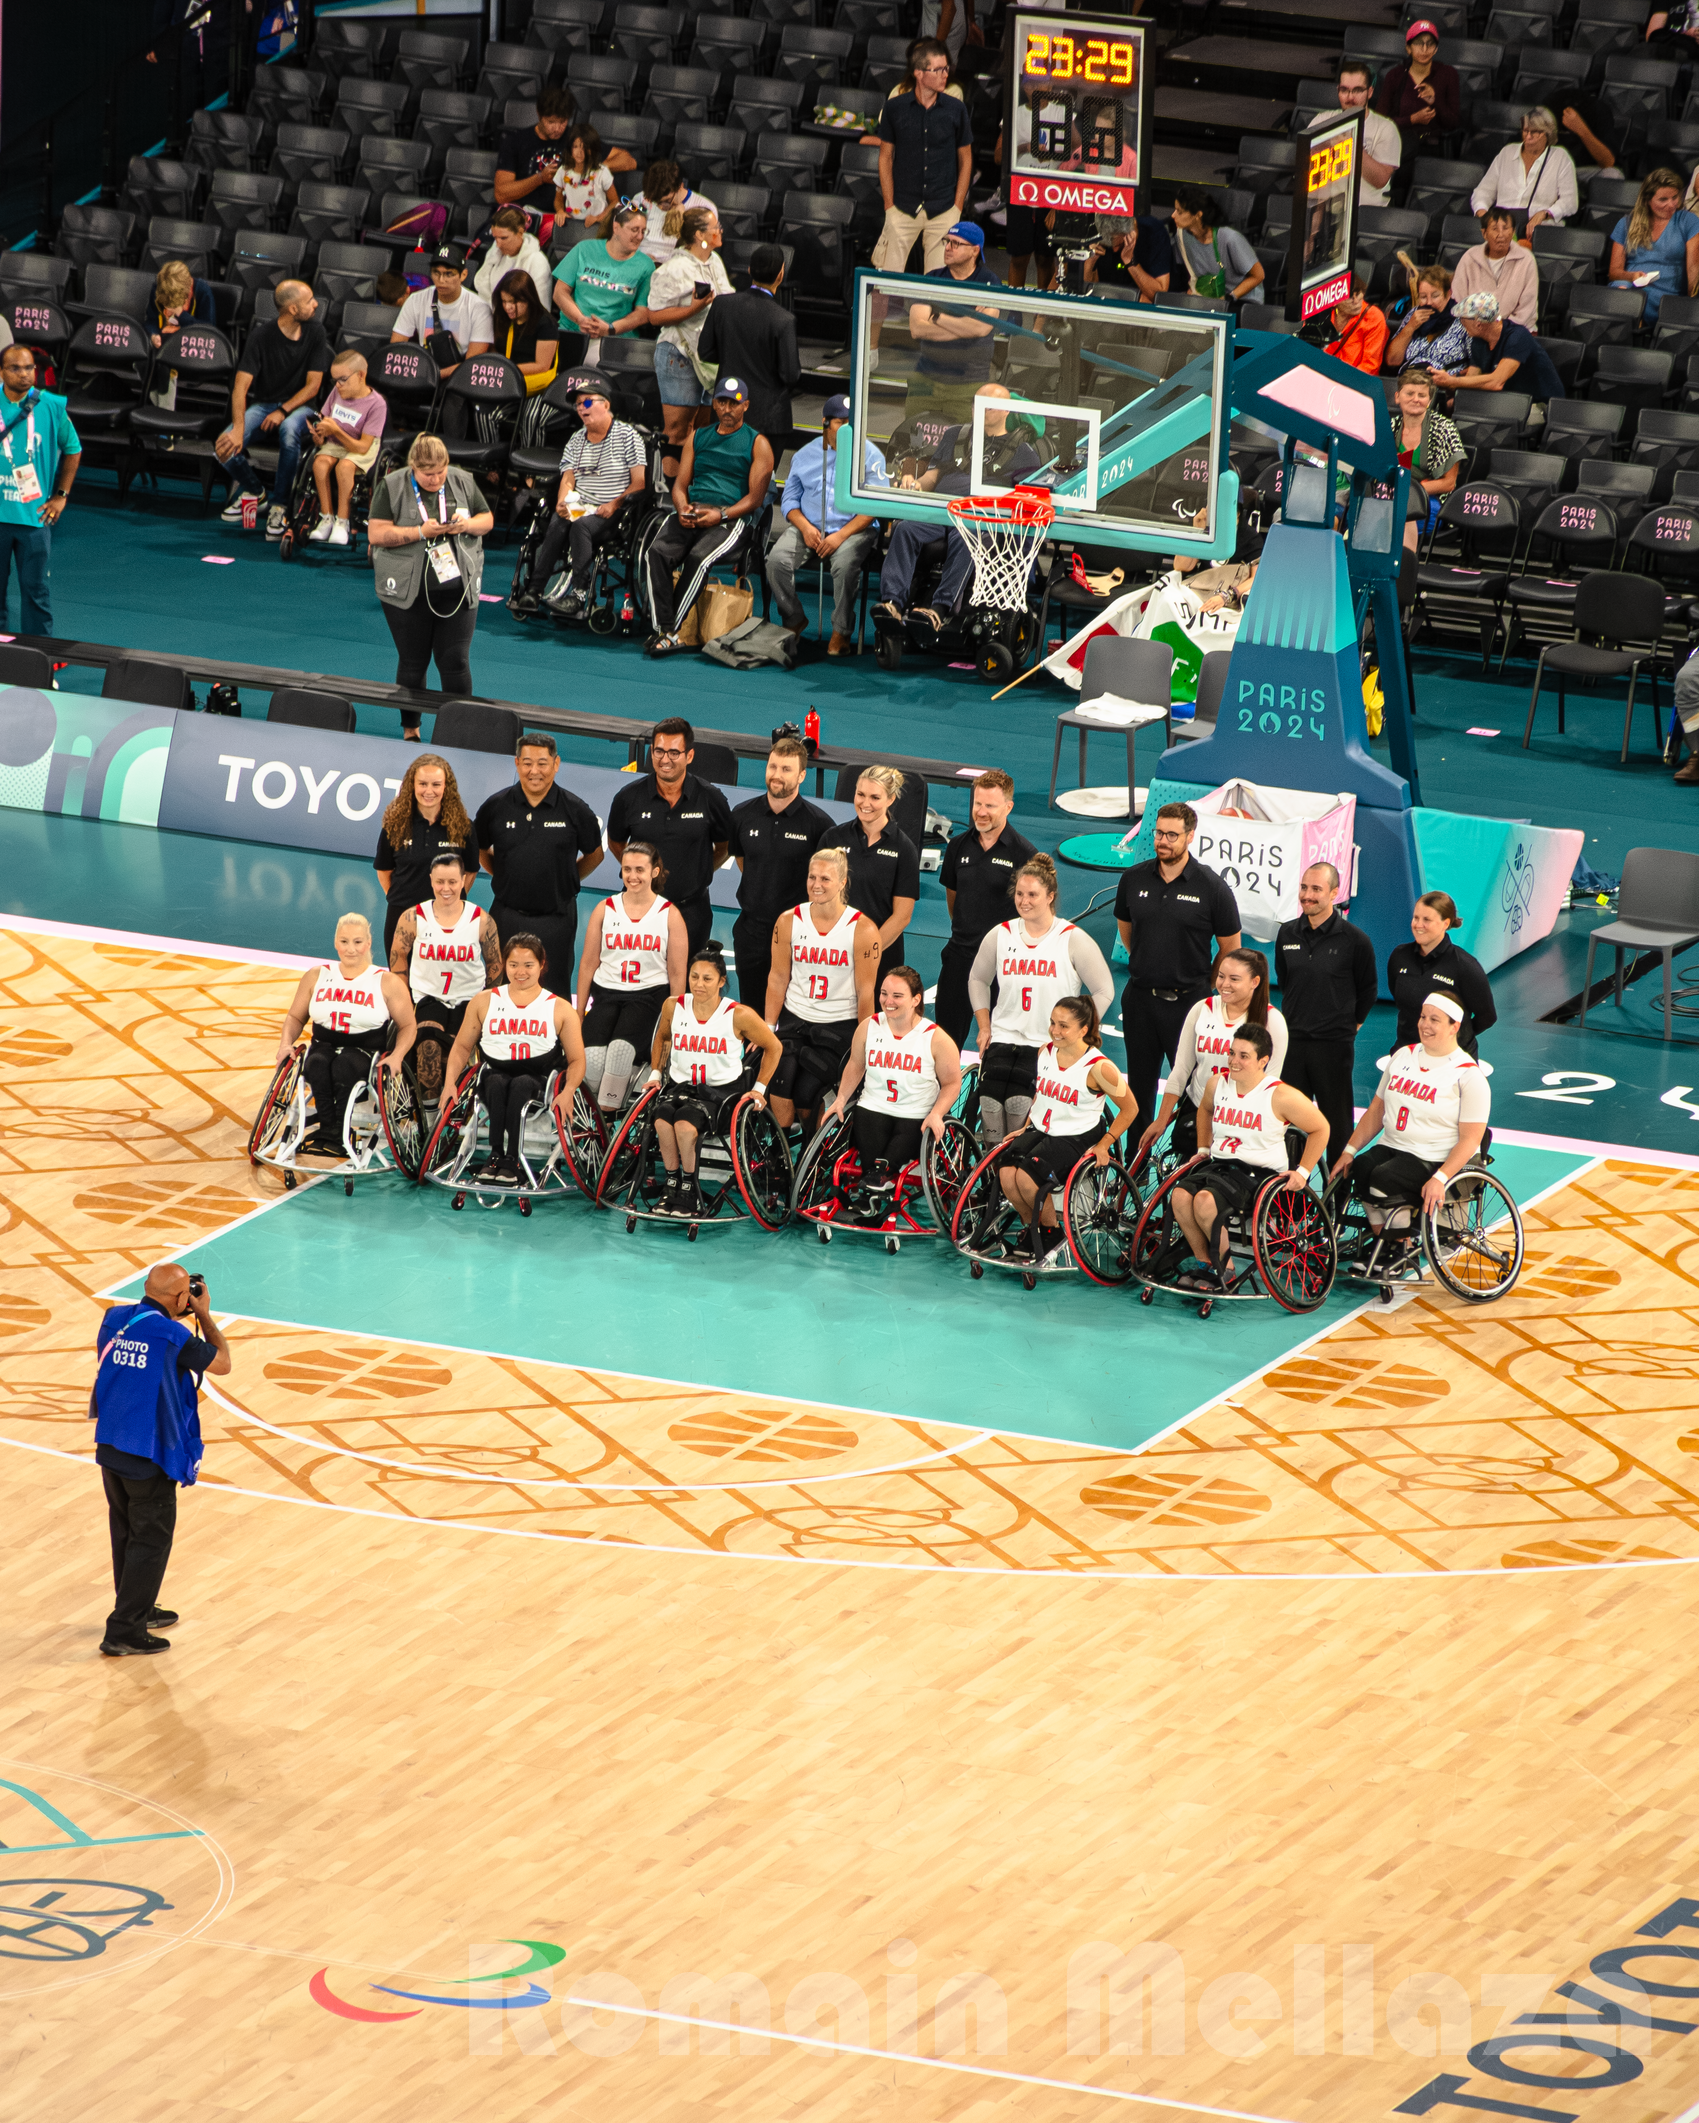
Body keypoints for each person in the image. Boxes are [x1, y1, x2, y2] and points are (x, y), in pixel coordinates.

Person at [90, 1261, 230, 1657]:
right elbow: (222, 1363)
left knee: (126, 1532)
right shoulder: (172, 1334)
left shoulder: (114, 1319)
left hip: (112, 1441)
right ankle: (124, 1631)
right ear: (182, 1298)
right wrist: (204, 1316)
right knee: (150, 1539)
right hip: (149, 1451)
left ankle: (138, 1607)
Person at [1115, 801, 1242, 1141]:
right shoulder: (1133, 879)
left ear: (1190, 837)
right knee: (1138, 1086)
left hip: (1189, 1005)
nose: (1163, 841)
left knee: (1190, 1089)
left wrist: (1207, 982)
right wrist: (1149, 961)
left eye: (1172, 835)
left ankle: (1185, 1162)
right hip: (1140, 1000)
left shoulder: (1211, 887)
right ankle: (1136, 1171)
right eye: (1159, 833)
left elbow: (1231, 949)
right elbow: (1127, 931)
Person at [1170, 1025, 1330, 1291]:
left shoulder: (1280, 1095)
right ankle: (1205, 1264)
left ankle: (1226, 1269)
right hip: (1221, 1166)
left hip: (1259, 1175)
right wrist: (1202, 1148)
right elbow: (1205, 1110)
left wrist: (1302, 1172)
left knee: (1205, 1201)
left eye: (1244, 1056)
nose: (1233, 1061)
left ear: (1263, 1061)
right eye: (1231, 1053)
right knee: (1179, 1196)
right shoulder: (1217, 1083)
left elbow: (1321, 1128)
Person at [968, 853, 1114, 1140]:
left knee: (1020, 1106)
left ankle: (1015, 1168)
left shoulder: (1071, 938)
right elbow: (977, 979)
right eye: (1020, 894)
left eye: (1033, 894)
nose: (1024, 901)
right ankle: (993, 1170)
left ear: (1050, 896)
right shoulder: (1001, 934)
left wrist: (1077, 1033)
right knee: (990, 1104)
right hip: (1003, 1036)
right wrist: (984, 1026)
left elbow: (1104, 990)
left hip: (1046, 1044)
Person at [875, 383, 1043, 628]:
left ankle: (939, 608)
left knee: (967, 538)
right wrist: (915, 484)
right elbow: (933, 476)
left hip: (979, 518)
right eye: (978, 404)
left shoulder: (1024, 452)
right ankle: (892, 603)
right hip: (941, 510)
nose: (982, 410)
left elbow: (1026, 501)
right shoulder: (956, 434)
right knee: (904, 529)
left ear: (1007, 410)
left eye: (991, 406)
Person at [992, 996, 1137, 1261]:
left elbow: (1131, 1109)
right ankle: (1031, 1226)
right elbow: (1041, 1095)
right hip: (1043, 1128)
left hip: (1077, 1134)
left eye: (1063, 1026)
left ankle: (1051, 1230)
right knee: (1005, 1170)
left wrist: (1106, 1143)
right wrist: (1024, 1127)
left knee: (1027, 1176)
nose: (1055, 1031)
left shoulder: (1099, 1068)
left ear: (1083, 1030)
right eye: (1052, 1023)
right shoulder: (1045, 1052)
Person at [367, 435, 495, 730]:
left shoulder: (462, 480)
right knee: (413, 662)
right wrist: (420, 531)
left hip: (457, 589)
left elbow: (486, 518)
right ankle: (411, 729)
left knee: (456, 662)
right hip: (406, 592)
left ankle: (457, 729)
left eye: (441, 471)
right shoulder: (392, 486)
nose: (436, 479)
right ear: (413, 467)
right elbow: (376, 534)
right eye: (428, 474)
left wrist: (468, 525)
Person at [642, 376, 775, 658]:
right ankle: (665, 628)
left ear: (746, 406)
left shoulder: (757, 443)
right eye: (722, 402)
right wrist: (682, 507)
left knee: (698, 559)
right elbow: (679, 485)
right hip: (695, 508)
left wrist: (721, 514)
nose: (727, 409)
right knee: (655, 553)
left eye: (734, 403)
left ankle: (668, 633)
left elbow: (755, 499)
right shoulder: (699, 436)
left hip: (731, 518)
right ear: (714, 404)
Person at [440, 933, 587, 1182]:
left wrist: (569, 1090)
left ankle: (512, 1159)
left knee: (520, 1084)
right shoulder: (483, 1001)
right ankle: (496, 1156)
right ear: (504, 964)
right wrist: (449, 1084)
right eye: (513, 964)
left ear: (542, 965)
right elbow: (462, 1048)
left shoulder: (560, 1007)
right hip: (493, 1075)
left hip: (537, 1080)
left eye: (528, 965)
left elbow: (576, 1060)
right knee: (496, 1082)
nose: (521, 972)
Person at [647, 943, 782, 1215]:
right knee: (661, 1119)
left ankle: (689, 1190)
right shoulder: (674, 1006)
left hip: (721, 1096)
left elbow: (774, 1047)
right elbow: (662, 1038)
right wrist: (655, 1073)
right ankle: (671, 1185)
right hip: (680, 1087)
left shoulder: (738, 1014)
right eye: (694, 976)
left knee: (685, 1125)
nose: (699, 984)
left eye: (707, 978)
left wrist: (759, 1088)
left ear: (721, 981)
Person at [821, 967, 964, 1218]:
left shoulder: (935, 1038)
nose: (888, 1001)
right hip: (873, 1107)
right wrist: (841, 1099)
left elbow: (952, 1083)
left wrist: (937, 1114)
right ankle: (871, 1193)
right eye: (884, 993)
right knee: (872, 1167)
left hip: (916, 1114)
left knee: (885, 1165)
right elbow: (856, 1064)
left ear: (916, 999)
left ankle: (877, 1184)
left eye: (897, 995)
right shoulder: (869, 1026)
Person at [1336, 993, 1489, 1225]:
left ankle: (1397, 1247)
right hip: (1393, 1146)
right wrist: (1349, 1150)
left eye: (1434, 1020)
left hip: (1433, 1157)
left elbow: (1471, 1140)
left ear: (1454, 1027)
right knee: (1361, 1168)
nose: (1425, 1025)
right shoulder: (1402, 1056)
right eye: (1422, 1017)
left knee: (1382, 1180)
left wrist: (1441, 1177)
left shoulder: (1468, 1074)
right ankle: (1387, 1241)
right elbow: (1377, 1109)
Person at [274, 912, 418, 1155]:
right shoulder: (316, 975)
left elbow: (408, 1026)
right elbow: (295, 1017)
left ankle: (339, 1131)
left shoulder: (386, 982)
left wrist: (397, 1055)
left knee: (345, 1065)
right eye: (344, 941)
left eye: (358, 942)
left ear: (368, 944)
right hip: (324, 1045)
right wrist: (285, 1044)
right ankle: (328, 1129)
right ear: (335, 943)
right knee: (317, 1063)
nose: (351, 949)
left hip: (364, 1052)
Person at [764, 847, 883, 1133]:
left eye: (825, 879)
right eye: (812, 877)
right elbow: (778, 977)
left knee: (807, 1093)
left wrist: (864, 1043)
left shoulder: (863, 930)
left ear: (843, 882)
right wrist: (768, 1026)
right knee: (780, 1079)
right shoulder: (788, 920)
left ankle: (809, 1155)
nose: (816, 885)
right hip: (795, 1019)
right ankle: (778, 1156)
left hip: (837, 1024)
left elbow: (866, 993)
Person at [475, 731, 606, 981]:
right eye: (527, 763)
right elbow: (480, 848)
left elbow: (595, 854)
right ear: (517, 763)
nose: (534, 771)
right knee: (500, 987)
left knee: (553, 992)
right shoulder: (496, 806)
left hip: (557, 920)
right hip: (506, 916)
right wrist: (504, 875)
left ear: (556, 764)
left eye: (542, 763)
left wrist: (564, 879)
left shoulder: (576, 810)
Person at [510, 379, 645, 621]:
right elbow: (567, 479)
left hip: (611, 509)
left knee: (581, 525)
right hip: (582, 504)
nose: (582, 408)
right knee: (558, 520)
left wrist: (615, 502)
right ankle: (534, 590)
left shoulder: (628, 436)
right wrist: (562, 501)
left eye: (588, 402)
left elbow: (639, 482)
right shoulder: (576, 439)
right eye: (578, 405)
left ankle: (579, 594)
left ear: (606, 405)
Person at [1139, 947, 1287, 1164]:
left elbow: (1271, 1085)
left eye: (1234, 979)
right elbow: (1181, 1070)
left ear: (1255, 982)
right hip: (1201, 1106)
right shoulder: (1202, 1009)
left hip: (1242, 1116)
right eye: (1220, 976)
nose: (1224, 984)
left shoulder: (1272, 1021)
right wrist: (1161, 1119)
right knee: (1184, 1145)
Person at [766, 393, 887, 655]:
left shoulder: (871, 456)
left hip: (854, 528)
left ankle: (841, 631)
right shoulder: (805, 455)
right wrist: (806, 528)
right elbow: (789, 500)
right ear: (825, 423)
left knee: (844, 565)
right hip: (809, 526)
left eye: (850, 423)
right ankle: (794, 618)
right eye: (840, 423)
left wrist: (840, 536)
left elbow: (875, 508)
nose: (846, 429)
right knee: (776, 561)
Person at [1274, 861, 1377, 1170]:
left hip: (1333, 1047)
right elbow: (1285, 979)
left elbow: (1368, 990)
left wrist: (1346, 1026)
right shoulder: (1287, 934)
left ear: (1334, 893)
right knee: (1288, 1126)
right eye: (1304, 888)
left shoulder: (1355, 940)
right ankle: (1286, 1203)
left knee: (1337, 1124)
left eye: (1316, 889)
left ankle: (1338, 1200)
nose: (1307, 895)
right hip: (1293, 1045)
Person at [574, 842, 688, 1117]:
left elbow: (676, 974)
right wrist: (578, 1014)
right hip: (606, 996)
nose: (632, 876)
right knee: (592, 1059)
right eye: (627, 869)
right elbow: (588, 964)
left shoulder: (669, 914)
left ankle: (609, 1125)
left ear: (655, 871)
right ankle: (588, 1124)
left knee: (619, 1053)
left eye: (640, 869)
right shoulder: (606, 908)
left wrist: (675, 1022)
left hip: (648, 997)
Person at [607, 719, 734, 952]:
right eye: (659, 751)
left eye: (674, 752)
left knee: (685, 984)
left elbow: (725, 846)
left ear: (690, 756)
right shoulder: (628, 798)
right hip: (638, 907)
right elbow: (615, 843)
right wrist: (639, 872)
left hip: (692, 912)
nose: (665, 760)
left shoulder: (711, 799)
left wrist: (700, 870)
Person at [216, 279, 329, 540]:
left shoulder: (316, 331)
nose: (315, 304)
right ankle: (256, 491)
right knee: (223, 445)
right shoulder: (261, 336)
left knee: (289, 431)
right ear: (291, 309)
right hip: (265, 404)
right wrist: (238, 429)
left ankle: (280, 506)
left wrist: (284, 410)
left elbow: (313, 386)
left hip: (301, 406)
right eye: (309, 300)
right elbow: (240, 388)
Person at [936, 770, 1037, 1050]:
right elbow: (953, 899)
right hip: (959, 958)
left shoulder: (1024, 854)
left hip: (1002, 965)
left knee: (998, 1045)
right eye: (977, 804)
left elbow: (1033, 915)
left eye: (990, 806)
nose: (981, 812)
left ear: (1008, 807)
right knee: (944, 1043)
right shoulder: (957, 846)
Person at [729, 733, 832, 1006]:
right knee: (750, 1009)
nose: (777, 775)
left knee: (791, 1011)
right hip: (750, 931)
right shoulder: (741, 814)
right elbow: (743, 860)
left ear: (801, 776)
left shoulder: (819, 825)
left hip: (797, 934)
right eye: (773, 766)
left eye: (787, 769)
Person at [390, 853, 502, 1099]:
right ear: (431, 880)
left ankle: (454, 1112)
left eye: (452, 882)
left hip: (468, 1002)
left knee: (453, 1055)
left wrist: (488, 1002)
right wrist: (405, 1002)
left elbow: (495, 965)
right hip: (428, 999)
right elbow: (398, 960)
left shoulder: (481, 920)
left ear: (463, 880)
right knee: (428, 1049)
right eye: (440, 882)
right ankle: (430, 1124)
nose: (446, 888)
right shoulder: (413, 917)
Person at [645, 205, 733, 484]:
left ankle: (692, 484)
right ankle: (670, 493)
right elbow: (655, 316)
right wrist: (694, 308)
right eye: (715, 228)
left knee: (703, 427)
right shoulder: (675, 268)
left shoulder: (714, 260)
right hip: (678, 355)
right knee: (678, 430)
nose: (720, 231)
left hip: (708, 355)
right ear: (699, 235)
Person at [875, 39, 975, 277]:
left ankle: (929, 317)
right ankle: (877, 317)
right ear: (919, 73)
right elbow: (885, 157)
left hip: (943, 208)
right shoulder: (895, 108)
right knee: (885, 280)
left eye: (946, 68)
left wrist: (957, 206)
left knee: (938, 285)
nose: (945, 74)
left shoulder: (956, 109)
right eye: (938, 69)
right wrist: (889, 206)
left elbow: (966, 159)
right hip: (901, 206)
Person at [0, 343, 79, 637]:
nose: (24, 374)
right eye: (15, 368)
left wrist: (61, 496)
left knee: (35, 592)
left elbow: (73, 450)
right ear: (1, 372)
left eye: (29, 367)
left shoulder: (51, 406)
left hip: (33, 518)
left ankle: (40, 659)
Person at [818, 765, 921, 988]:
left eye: (875, 797)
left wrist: (867, 951)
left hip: (881, 956)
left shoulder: (904, 849)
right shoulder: (833, 837)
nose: (865, 804)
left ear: (890, 799)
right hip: (833, 951)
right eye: (860, 794)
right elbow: (817, 895)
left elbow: (902, 916)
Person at [696, 244, 803, 455]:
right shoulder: (784, 320)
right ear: (781, 275)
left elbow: (705, 352)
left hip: (726, 410)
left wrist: (731, 357)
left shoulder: (722, 305)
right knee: (760, 485)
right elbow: (790, 374)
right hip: (768, 419)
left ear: (749, 270)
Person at [373, 752, 481, 958]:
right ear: (412, 786)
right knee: (400, 984)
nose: (429, 791)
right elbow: (384, 870)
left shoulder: (463, 827)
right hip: (402, 916)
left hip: (448, 919)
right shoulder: (395, 825)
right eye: (422, 784)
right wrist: (403, 901)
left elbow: (470, 871)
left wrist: (448, 900)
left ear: (446, 787)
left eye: (436, 785)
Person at [903, 220, 1001, 422]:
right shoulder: (932, 278)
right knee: (911, 445)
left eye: (956, 243)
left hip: (967, 385)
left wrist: (937, 317)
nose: (948, 248)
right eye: (947, 241)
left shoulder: (989, 282)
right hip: (925, 381)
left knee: (961, 447)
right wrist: (966, 324)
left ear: (975, 251)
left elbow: (981, 328)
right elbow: (917, 328)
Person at [1387, 889, 1496, 1054]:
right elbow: (1398, 997)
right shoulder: (1400, 956)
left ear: (1445, 923)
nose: (1418, 925)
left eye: (1427, 920)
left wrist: (1455, 1038)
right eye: (1416, 918)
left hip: (1449, 1060)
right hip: (1407, 1053)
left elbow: (1487, 1016)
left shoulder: (1464, 966)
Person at [303, 350, 386, 548]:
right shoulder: (336, 393)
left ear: (361, 375)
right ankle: (326, 518)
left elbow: (362, 447)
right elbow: (324, 421)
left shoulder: (377, 404)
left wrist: (336, 431)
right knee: (320, 464)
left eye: (343, 380)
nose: (338, 385)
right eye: (335, 381)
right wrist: (319, 434)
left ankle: (342, 522)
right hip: (336, 441)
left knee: (345, 467)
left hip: (360, 446)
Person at [553, 205, 654, 363]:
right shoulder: (584, 249)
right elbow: (560, 292)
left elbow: (643, 313)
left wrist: (610, 328)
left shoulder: (646, 265)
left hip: (614, 339)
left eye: (643, 231)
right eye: (634, 230)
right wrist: (581, 320)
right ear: (616, 227)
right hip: (573, 332)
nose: (640, 236)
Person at [1443, 290, 1565, 404]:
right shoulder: (1478, 340)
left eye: (1463, 320)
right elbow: (1472, 378)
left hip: (1539, 404)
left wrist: (1453, 382)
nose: (1462, 324)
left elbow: (1496, 382)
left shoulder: (1518, 337)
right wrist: (1448, 385)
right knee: (1454, 404)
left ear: (1478, 324)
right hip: (1507, 400)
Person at [1610, 168, 1699, 324]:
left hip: (1666, 294)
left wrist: (1690, 310)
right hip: (1629, 285)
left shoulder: (1688, 221)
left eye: (1674, 197)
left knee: (1629, 301)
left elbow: (1694, 272)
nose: (1671, 205)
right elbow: (1614, 272)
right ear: (1647, 200)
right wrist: (1631, 276)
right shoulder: (1626, 223)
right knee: (1621, 290)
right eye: (1663, 199)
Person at [392, 246, 494, 380]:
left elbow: (472, 365)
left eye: (448, 274)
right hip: (423, 372)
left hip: (459, 377)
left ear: (463, 275)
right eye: (436, 273)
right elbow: (396, 348)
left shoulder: (480, 308)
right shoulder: (416, 299)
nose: (441, 280)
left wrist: (433, 375)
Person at [1470, 108, 1578, 232]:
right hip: (1502, 228)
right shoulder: (1507, 152)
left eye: (1535, 132)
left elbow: (1570, 202)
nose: (1528, 137)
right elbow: (1483, 191)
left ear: (1548, 133)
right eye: (1526, 131)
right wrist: (1483, 214)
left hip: (1539, 231)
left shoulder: (1560, 157)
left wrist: (1545, 213)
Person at [1392, 366, 1464, 550]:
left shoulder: (1444, 429)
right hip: (1392, 496)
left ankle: (1400, 567)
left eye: (1422, 395)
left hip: (1428, 501)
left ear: (1429, 400)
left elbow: (1449, 483)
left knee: (1394, 519)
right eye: (1409, 393)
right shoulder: (1390, 427)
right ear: (1397, 397)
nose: (1415, 399)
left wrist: (1411, 491)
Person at [1312, 63, 1401, 208]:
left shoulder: (1386, 128)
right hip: (1325, 209)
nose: (1350, 97)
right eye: (1344, 90)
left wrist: (1352, 146)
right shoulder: (1322, 121)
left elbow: (1380, 180)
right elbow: (1303, 164)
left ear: (1370, 92)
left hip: (1366, 212)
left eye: (1358, 90)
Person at [1372, 20, 1461, 149]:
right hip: (1398, 143)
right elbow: (1380, 121)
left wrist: (1436, 101)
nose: (1424, 49)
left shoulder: (1448, 74)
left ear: (1436, 49)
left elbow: (1453, 123)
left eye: (1430, 44)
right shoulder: (1395, 75)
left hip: (1432, 145)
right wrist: (1412, 119)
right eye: (1419, 43)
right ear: (1408, 48)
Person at [1450, 206, 1539, 331]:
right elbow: (1459, 298)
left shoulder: (1526, 259)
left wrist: (1499, 328)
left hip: (1515, 329)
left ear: (1513, 232)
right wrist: (1475, 326)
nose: (1501, 234)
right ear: (1484, 233)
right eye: (1495, 229)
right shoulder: (1470, 257)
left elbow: (1527, 307)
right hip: (1474, 328)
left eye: (1506, 228)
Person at [1169, 189, 1263, 304]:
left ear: (1198, 215)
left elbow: (1258, 276)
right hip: (1205, 299)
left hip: (1240, 300)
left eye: (1179, 212)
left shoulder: (1230, 238)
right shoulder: (1182, 235)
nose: (1173, 215)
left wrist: (1229, 298)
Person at [494, 84, 579, 210]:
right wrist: (540, 178)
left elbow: (619, 157)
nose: (557, 129)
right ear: (539, 115)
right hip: (523, 214)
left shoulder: (576, 139)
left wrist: (590, 168)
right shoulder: (515, 141)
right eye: (551, 122)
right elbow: (501, 195)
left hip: (561, 216)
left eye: (563, 122)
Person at [145, 258, 216, 409]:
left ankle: (163, 413)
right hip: (164, 342)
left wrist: (181, 314)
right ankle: (158, 409)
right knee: (141, 361)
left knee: (163, 363)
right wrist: (153, 334)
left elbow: (209, 332)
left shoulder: (202, 291)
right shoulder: (158, 288)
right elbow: (151, 320)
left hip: (190, 348)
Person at [630, 158, 717, 268]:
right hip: (640, 263)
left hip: (678, 268)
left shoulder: (705, 209)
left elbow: (702, 252)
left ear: (680, 186)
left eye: (667, 201)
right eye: (655, 202)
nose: (661, 207)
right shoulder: (641, 198)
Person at [1386, 261, 1469, 376]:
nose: (1429, 302)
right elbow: (1392, 361)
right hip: (1410, 379)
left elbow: (1477, 367)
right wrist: (1410, 327)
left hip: (1443, 386)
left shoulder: (1464, 319)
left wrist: (1454, 379)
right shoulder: (1413, 315)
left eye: (1435, 296)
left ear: (1448, 293)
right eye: (1423, 297)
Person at [486, 269, 560, 399]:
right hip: (505, 381)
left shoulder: (546, 323)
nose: (508, 307)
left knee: (530, 417)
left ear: (528, 300)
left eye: (513, 302)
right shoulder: (501, 317)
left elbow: (542, 366)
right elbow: (494, 348)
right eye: (504, 301)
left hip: (535, 387)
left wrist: (506, 370)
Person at [473, 207, 553, 311]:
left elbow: (540, 307)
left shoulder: (537, 261)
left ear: (520, 232)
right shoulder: (494, 254)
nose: (498, 244)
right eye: (495, 238)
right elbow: (484, 294)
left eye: (504, 238)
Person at [1086, 215, 1174, 301]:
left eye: (1119, 244)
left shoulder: (1154, 234)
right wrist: (1090, 261)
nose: (1115, 250)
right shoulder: (1098, 237)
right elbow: (1090, 291)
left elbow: (1158, 296)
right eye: (1109, 244)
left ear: (1131, 232)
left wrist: (1130, 261)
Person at [553, 121, 620, 230]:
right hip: (572, 225)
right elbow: (558, 199)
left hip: (596, 226)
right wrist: (560, 211)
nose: (580, 152)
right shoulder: (562, 171)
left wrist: (599, 218)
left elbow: (614, 201)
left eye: (585, 148)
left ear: (592, 149)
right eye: (575, 147)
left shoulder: (601, 172)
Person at [1324, 274, 1387, 374]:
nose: (1357, 301)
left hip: (1354, 381)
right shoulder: (1320, 315)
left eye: (1358, 293)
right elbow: (1309, 351)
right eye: (1350, 297)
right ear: (1333, 301)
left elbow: (1370, 367)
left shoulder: (1374, 317)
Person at [1560, 96, 1621, 178]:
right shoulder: (1544, 105)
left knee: (1612, 174)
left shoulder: (1598, 109)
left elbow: (1608, 162)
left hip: (1582, 170)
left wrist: (1580, 129)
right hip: (1550, 171)